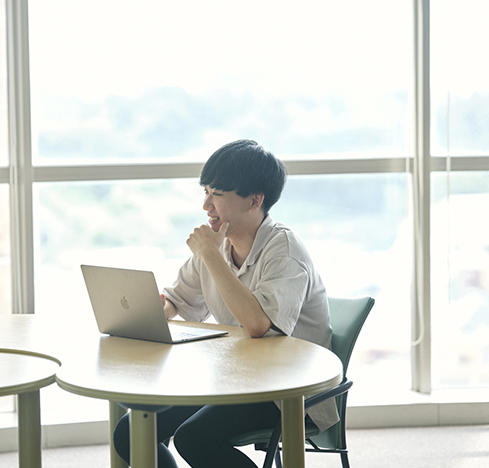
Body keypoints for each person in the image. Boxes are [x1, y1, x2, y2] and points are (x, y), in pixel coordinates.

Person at [113, 139, 338, 468]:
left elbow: (259, 326)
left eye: (216, 194)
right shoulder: (218, 246)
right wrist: (155, 312)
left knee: (195, 437)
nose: (206, 205)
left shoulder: (284, 250)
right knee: (130, 432)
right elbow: (178, 298)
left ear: (255, 200)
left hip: (287, 390)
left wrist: (209, 254)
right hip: (235, 378)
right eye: (205, 192)